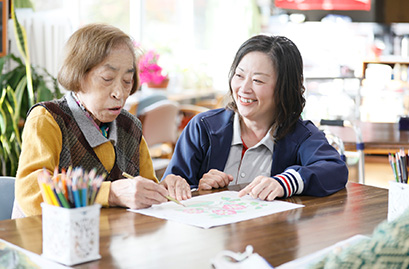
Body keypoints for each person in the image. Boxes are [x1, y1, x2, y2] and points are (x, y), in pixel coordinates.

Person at [12, 23, 190, 217]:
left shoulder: (130, 126)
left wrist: (162, 190)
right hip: (45, 241)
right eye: (107, 78)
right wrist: (109, 194)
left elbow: (143, 193)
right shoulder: (48, 119)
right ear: (78, 76)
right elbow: (31, 195)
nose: (119, 93)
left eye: (127, 81)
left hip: (108, 241)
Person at [162, 35, 348, 200]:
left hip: (271, 236)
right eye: (239, 75)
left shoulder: (301, 135)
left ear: (284, 88)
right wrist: (199, 189)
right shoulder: (203, 128)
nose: (244, 88)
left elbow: (335, 170)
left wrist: (285, 182)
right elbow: (173, 188)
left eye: (258, 80)